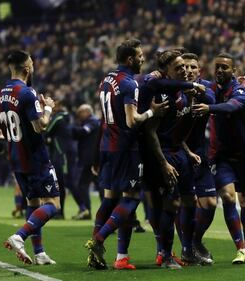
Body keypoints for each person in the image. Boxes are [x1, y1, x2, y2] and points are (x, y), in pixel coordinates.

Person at [84, 38, 168, 270]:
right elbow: (132, 121)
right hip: (125, 148)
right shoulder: (130, 84)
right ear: (130, 59)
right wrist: (152, 112)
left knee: (110, 199)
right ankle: (98, 239)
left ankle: (96, 254)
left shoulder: (106, 80)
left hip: (106, 146)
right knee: (132, 197)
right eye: (140, 55)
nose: (143, 58)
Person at [193, 53, 245, 264]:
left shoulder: (240, 91)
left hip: (243, 155)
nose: (220, 70)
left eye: (225, 67)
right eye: (217, 67)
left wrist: (210, 108)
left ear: (233, 71)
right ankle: (240, 249)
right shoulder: (210, 89)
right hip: (220, 155)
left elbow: (233, 106)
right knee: (228, 197)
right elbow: (192, 81)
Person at [0, 50, 59, 265]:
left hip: (16, 159)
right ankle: (20, 235)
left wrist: (10, 137)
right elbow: (40, 126)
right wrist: (48, 108)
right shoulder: (27, 93)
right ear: (27, 68)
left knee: (33, 203)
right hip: (35, 158)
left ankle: (39, 253)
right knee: (53, 204)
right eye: (32, 63)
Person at [143, 50, 206, 268]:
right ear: (166, 72)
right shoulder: (162, 95)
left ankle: (188, 251)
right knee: (171, 202)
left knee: (190, 201)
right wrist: (163, 162)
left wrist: (187, 151)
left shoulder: (185, 92)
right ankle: (166, 254)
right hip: (163, 154)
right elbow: (151, 132)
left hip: (179, 152)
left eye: (187, 67)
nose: (185, 70)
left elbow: (177, 130)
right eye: (179, 67)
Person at [181, 53, 216, 265]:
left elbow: (212, 99)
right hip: (177, 152)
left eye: (193, 67)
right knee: (185, 204)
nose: (190, 70)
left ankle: (196, 240)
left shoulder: (204, 87)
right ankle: (186, 249)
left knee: (210, 203)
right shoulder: (172, 89)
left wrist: (197, 90)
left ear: (199, 71)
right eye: (185, 67)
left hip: (200, 154)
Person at [45, 100, 77, 219]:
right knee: (62, 184)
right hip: (60, 155)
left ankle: (62, 211)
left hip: (61, 156)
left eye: (55, 105)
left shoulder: (59, 118)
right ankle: (60, 211)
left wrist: (48, 138)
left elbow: (46, 130)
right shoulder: (66, 118)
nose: (53, 107)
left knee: (62, 184)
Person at [72, 104, 101, 220]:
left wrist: (69, 128)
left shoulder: (92, 122)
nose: (79, 115)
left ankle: (87, 211)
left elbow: (83, 132)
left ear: (87, 112)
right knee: (97, 186)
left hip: (90, 160)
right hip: (90, 159)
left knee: (83, 185)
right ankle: (86, 210)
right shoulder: (90, 122)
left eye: (80, 113)